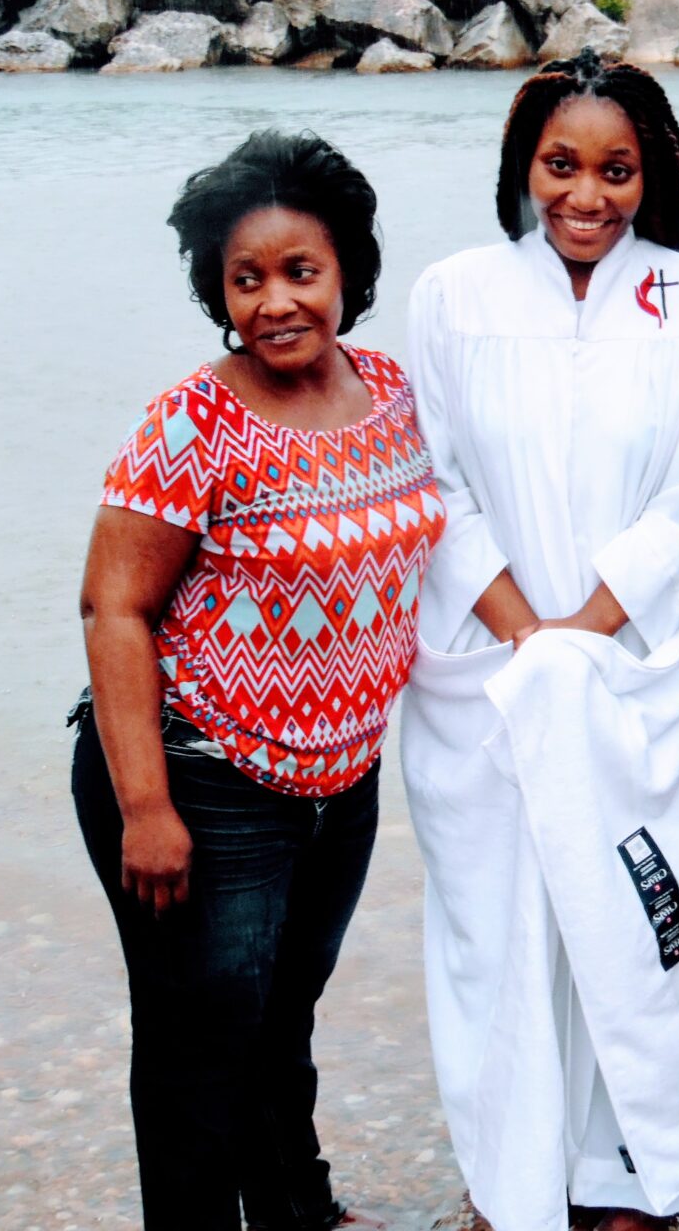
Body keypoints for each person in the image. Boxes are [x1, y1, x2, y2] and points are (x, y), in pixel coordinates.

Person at [400, 51, 679, 1231]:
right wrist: (527, 642)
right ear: (523, 166)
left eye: (617, 169)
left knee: (642, 909)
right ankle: (514, 1168)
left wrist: (584, 641)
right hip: (492, 666)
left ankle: (639, 1170)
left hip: (650, 665)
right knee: (504, 923)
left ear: (652, 176)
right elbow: (433, 481)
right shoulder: (455, 295)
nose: (587, 196)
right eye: (562, 165)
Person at [72, 130, 444, 1231]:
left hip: (341, 783)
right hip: (202, 781)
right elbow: (114, 606)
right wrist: (146, 804)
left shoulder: (390, 389)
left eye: (300, 271)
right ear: (218, 292)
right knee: (199, 1043)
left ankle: (299, 1210)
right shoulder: (194, 419)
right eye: (247, 279)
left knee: (283, 1013)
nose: (276, 301)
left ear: (347, 274)